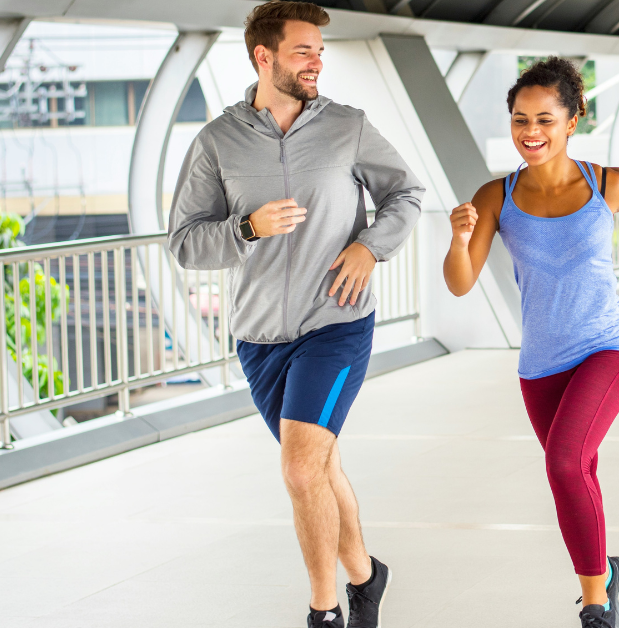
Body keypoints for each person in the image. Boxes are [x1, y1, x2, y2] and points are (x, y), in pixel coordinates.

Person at [167, 3, 424, 627]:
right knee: (320, 468)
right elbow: (183, 241)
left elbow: (406, 193)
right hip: (258, 337)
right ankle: (368, 575)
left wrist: (369, 246)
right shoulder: (217, 142)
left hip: (336, 322)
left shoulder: (347, 127)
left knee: (300, 465)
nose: (317, 61)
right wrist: (247, 229)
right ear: (265, 57)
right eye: (303, 51)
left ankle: (324, 609)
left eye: (319, 51)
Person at [442, 57, 619, 628]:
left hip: (608, 347)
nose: (530, 132)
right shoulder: (497, 195)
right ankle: (604, 573)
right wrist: (458, 239)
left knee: (565, 463)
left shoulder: (605, 182)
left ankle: (596, 605)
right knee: (575, 471)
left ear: (573, 121)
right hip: (540, 363)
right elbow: (461, 283)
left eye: (544, 118)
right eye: (520, 119)